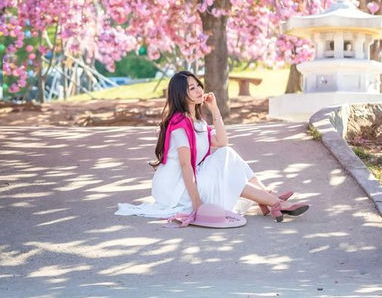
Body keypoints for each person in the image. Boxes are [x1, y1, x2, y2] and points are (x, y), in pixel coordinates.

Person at [115, 70, 309, 223]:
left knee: (227, 153)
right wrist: (197, 202)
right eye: (192, 88)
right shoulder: (179, 125)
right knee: (225, 171)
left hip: (191, 177)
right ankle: (274, 201)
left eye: (198, 85)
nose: (199, 90)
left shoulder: (197, 121)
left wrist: (215, 109)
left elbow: (223, 143)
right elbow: (185, 165)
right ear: (180, 95)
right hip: (175, 188)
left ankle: (268, 199)